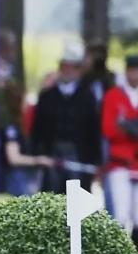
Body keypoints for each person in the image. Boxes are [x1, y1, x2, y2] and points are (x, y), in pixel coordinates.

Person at [33, 39, 102, 194]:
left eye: (74, 67)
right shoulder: (47, 96)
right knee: (51, 196)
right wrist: (39, 154)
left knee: (77, 199)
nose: (68, 70)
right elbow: (37, 129)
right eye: (65, 66)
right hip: (52, 156)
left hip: (79, 157)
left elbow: (94, 130)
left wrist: (96, 160)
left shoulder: (87, 97)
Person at [101, 54, 138, 237]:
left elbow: (120, 126)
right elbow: (108, 129)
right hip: (120, 163)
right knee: (121, 216)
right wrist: (128, 128)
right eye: (133, 71)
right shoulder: (114, 96)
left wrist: (125, 124)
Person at [0, 79, 52, 196]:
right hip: (16, 179)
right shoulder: (11, 128)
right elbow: (14, 158)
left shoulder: (12, 125)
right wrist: (38, 160)